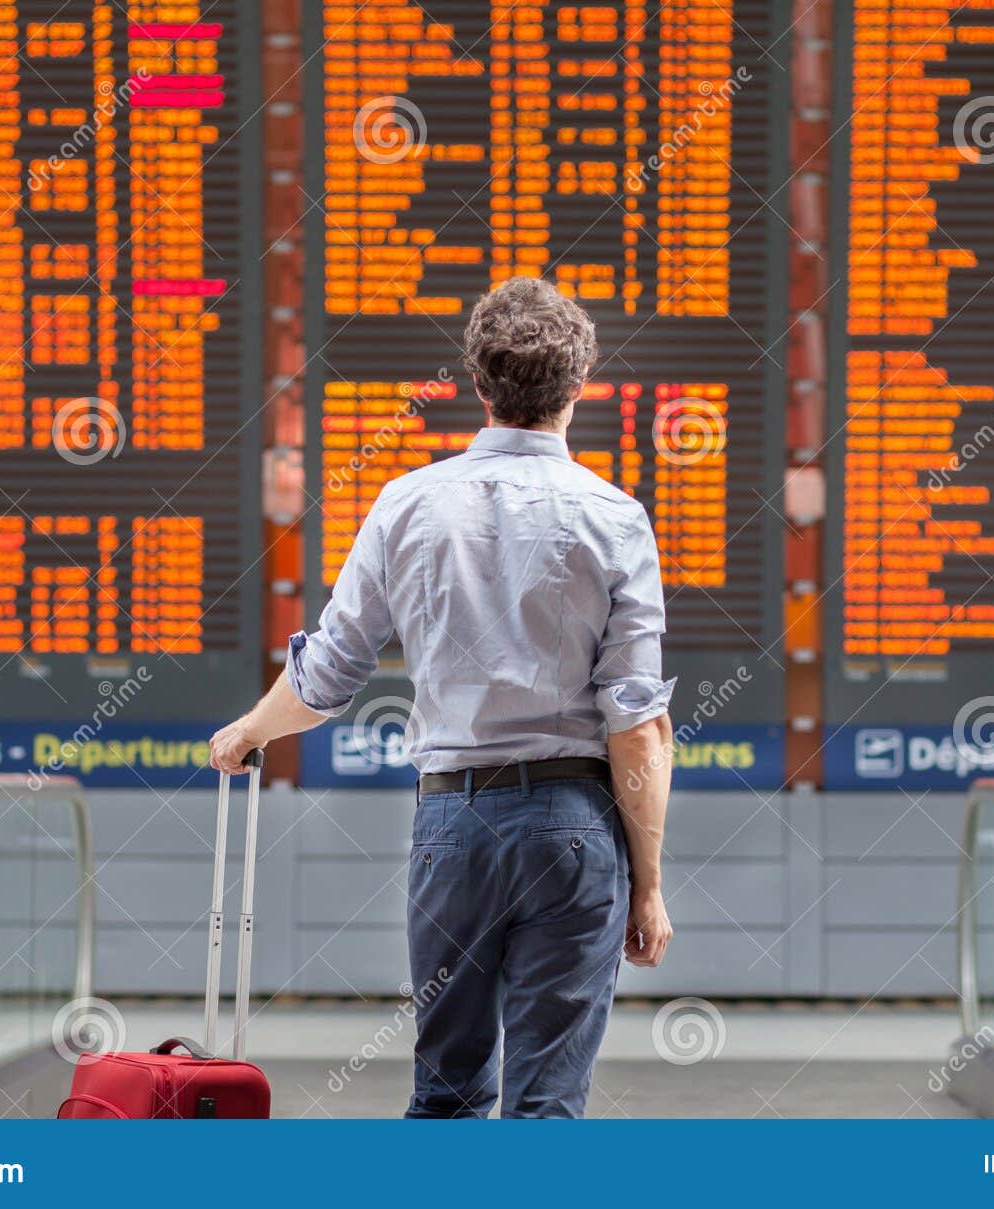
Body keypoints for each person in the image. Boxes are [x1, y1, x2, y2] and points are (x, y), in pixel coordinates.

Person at [209, 276, 674, 1118]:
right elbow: (638, 727)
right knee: (546, 1109)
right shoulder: (616, 516)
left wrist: (248, 730)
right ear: (578, 386)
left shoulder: (407, 504)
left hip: (453, 829)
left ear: (477, 380)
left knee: (447, 1094)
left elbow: (327, 676)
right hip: (575, 830)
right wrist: (646, 884)